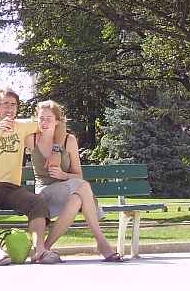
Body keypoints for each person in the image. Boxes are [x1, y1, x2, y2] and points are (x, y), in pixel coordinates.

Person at [0, 89, 62, 265]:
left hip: (11, 188)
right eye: (5, 104)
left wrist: (56, 151)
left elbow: (56, 123)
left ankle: (39, 250)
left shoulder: (23, 126)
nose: (9, 108)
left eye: (13, 104)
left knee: (37, 203)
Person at [27, 100, 124, 261]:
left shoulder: (68, 141)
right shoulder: (31, 139)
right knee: (83, 188)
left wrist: (63, 175)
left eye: (49, 119)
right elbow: (17, 126)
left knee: (77, 198)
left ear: (57, 121)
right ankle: (101, 242)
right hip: (44, 194)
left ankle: (45, 248)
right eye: (41, 118)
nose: (44, 122)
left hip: (68, 189)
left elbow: (78, 175)